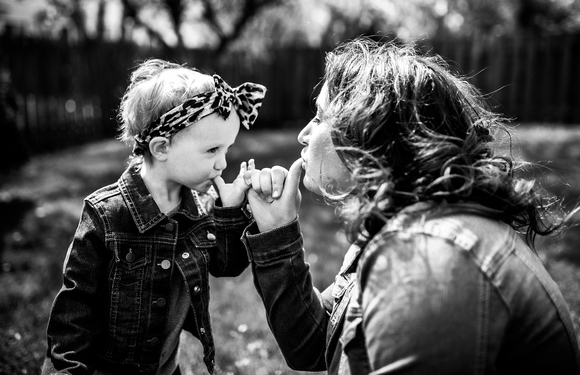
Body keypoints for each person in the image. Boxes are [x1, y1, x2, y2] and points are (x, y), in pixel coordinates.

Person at [241, 38, 580, 374]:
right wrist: (277, 231)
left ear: (367, 132)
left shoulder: (432, 257)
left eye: (319, 117)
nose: (303, 134)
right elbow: (314, 345)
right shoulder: (402, 225)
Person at [41, 59, 266, 375]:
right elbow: (73, 316)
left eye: (227, 149)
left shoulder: (201, 208)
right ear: (161, 148)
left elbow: (226, 265)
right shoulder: (107, 215)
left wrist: (229, 212)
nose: (222, 164)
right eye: (212, 150)